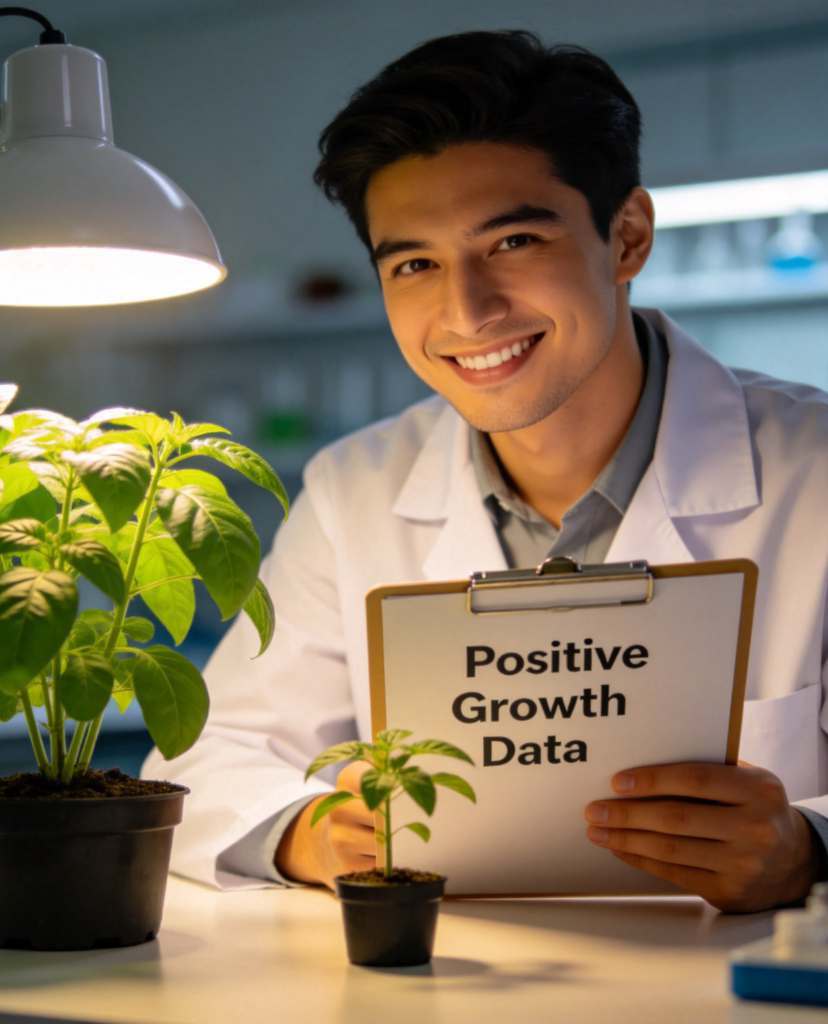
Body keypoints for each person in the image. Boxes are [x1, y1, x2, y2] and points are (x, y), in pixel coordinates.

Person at [141, 29, 828, 912]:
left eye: (512, 245)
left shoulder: (814, 467)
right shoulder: (356, 487)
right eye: (416, 264)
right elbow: (215, 754)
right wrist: (306, 831)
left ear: (627, 237)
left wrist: (804, 846)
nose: (467, 311)